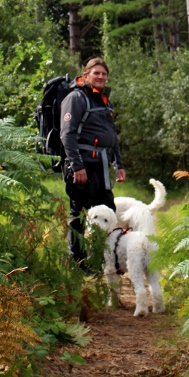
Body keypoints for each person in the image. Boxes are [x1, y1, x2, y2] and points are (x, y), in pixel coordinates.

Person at [60, 57, 126, 270]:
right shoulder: (75, 98)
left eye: (103, 74)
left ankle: (105, 260)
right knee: (79, 215)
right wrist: (77, 166)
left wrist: (119, 164)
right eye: (96, 73)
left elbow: (112, 135)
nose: (100, 77)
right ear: (86, 75)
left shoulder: (104, 101)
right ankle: (79, 263)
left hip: (101, 167)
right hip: (82, 166)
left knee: (108, 212)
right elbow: (67, 134)